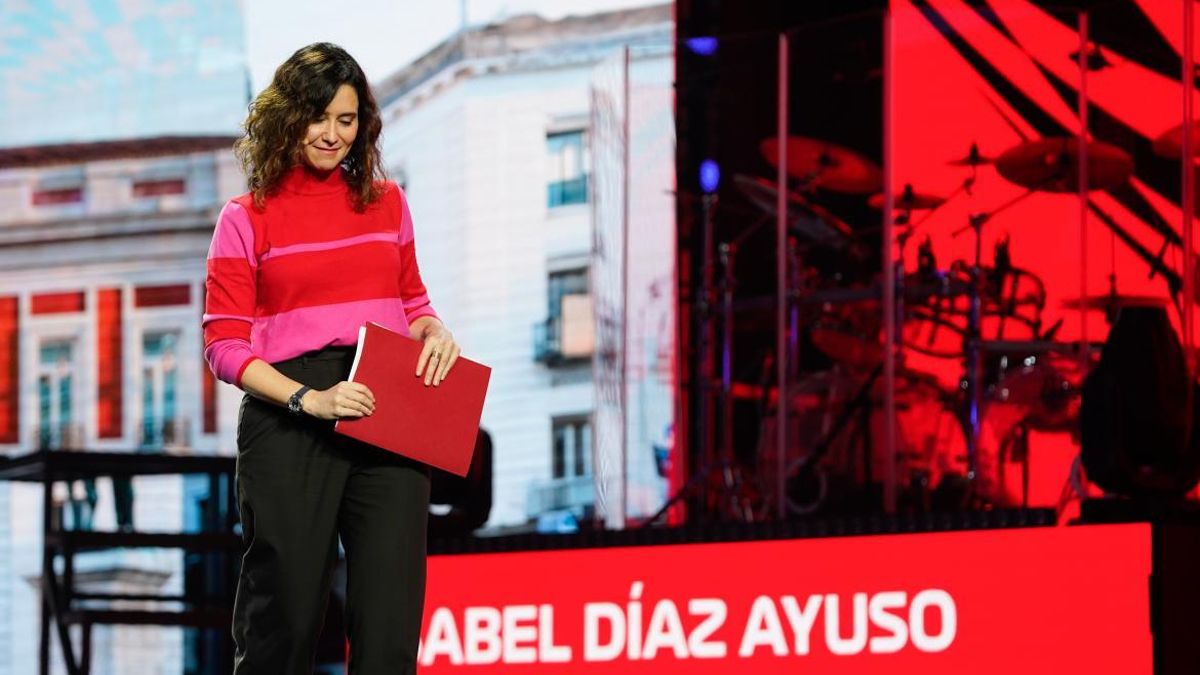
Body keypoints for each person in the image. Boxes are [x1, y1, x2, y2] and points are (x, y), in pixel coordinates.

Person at [202, 42, 461, 674]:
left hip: (386, 400)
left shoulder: (387, 201)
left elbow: (410, 297)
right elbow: (224, 346)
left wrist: (433, 330)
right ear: (288, 117)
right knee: (284, 619)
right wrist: (308, 398)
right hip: (292, 410)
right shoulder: (246, 218)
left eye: (347, 121)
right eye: (319, 118)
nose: (332, 135)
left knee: (390, 625)